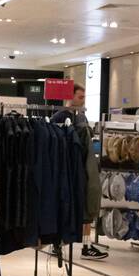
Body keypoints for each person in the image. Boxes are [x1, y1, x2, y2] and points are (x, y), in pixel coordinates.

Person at [52, 83, 107, 259]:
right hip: (68, 167)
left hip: (82, 166)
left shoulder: (81, 116)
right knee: (65, 204)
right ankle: (58, 242)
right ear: (71, 96)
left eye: (84, 97)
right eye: (80, 97)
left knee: (87, 205)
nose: (82, 100)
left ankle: (86, 245)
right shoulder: (60, 116)